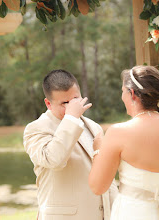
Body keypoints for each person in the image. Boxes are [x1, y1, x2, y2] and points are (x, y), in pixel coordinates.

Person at [23, 69, 118, 220]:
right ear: (48, 103)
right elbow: (54, 160)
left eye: (75, 99)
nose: (71, 107)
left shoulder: (94, 127)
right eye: (64, 103)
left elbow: (105, 174)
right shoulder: (35, 129)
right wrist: (71, 118)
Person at [89, 65, 159, 220]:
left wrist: (97, 151)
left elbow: (97, 186)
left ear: (132, 93)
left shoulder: (119, 132)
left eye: (122, 91)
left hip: (133, 212)